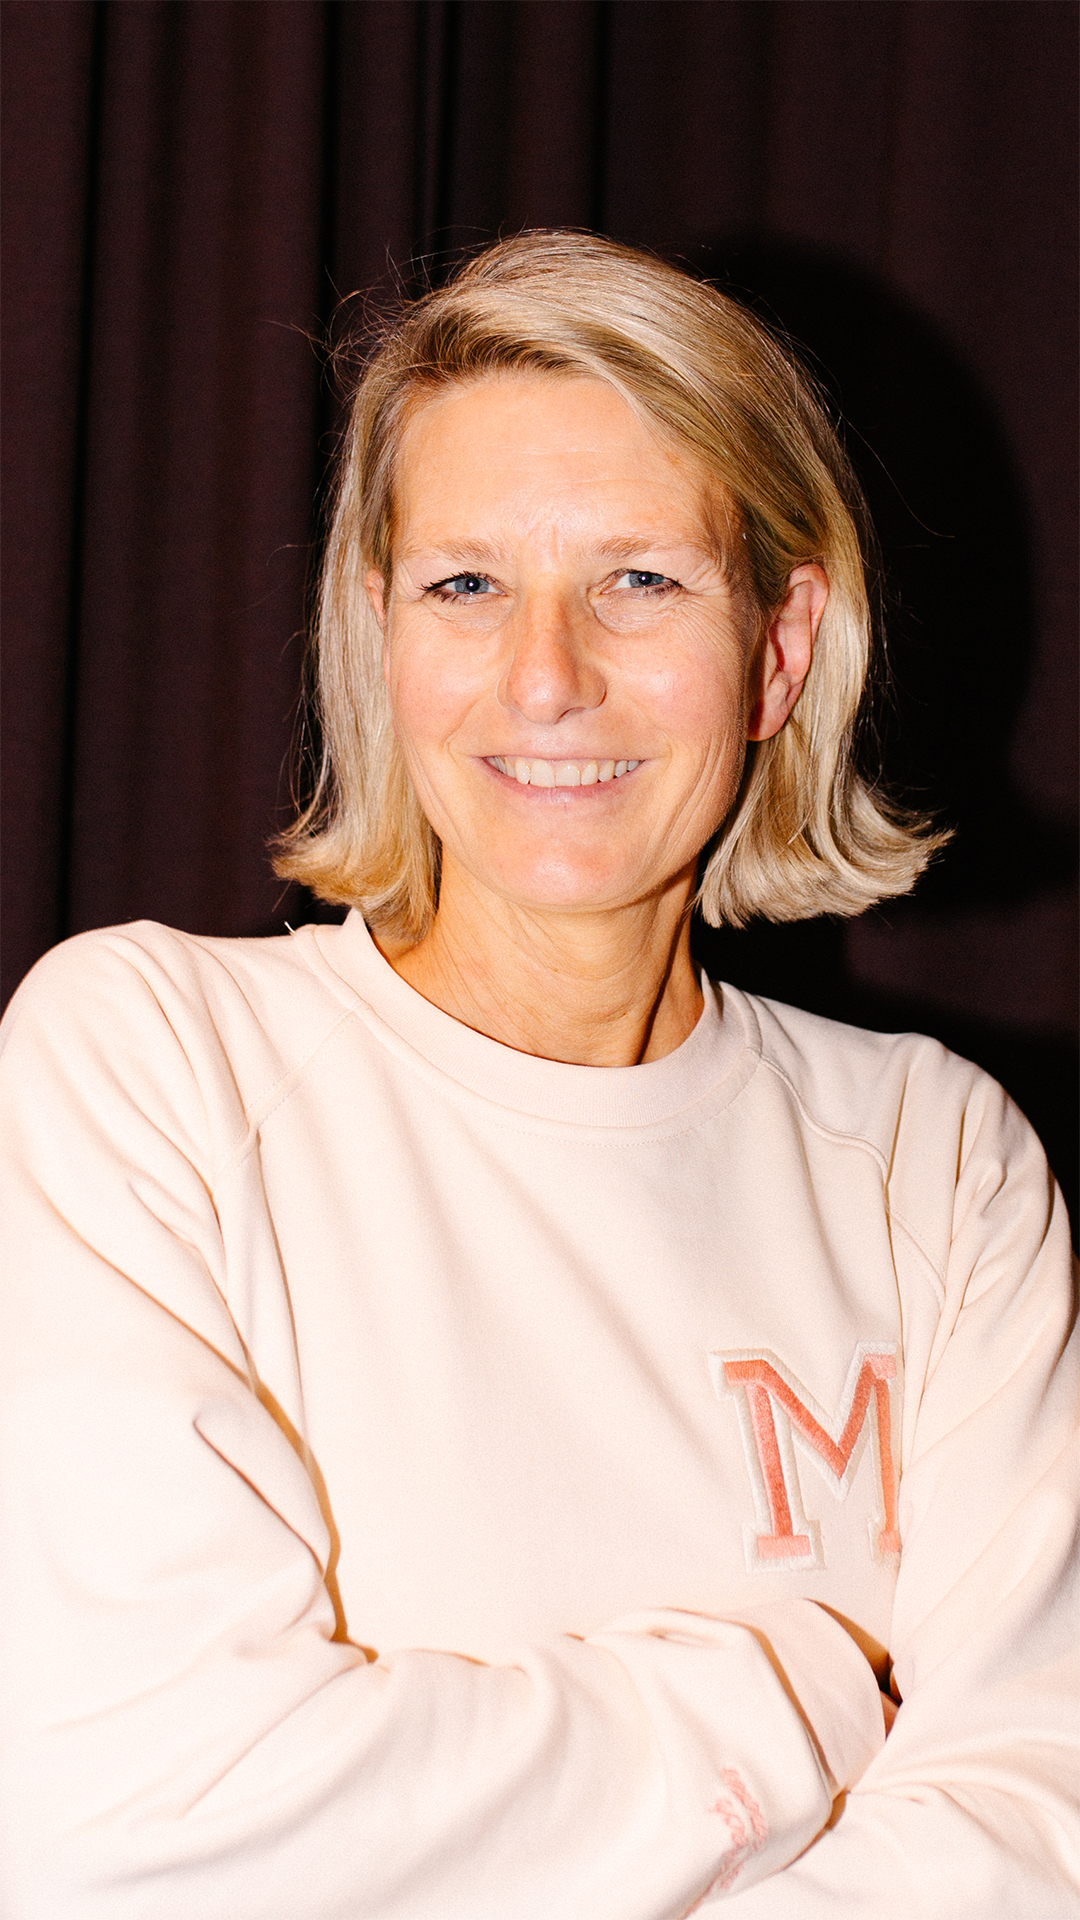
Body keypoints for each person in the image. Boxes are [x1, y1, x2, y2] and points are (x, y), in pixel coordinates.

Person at [0, 231, 1076, 1919]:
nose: (548, 676)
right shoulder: (151, 1067)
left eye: (640, 579)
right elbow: (128, 1821)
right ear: (378, 634)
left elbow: (1037, 1818)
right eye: (466, 585)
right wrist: (793, 1699)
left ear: (780, 649)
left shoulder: (941, 1165)